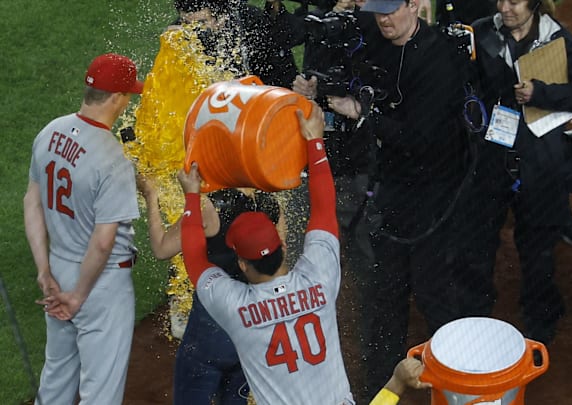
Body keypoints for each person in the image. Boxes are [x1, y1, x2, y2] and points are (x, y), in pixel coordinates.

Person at [310, 0, 475, 400]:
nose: (383, 19)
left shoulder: (439, 60)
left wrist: (362, 113)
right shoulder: (378, 34)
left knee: (434, 294)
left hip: (436, 196)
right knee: (384, 296)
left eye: (391, 10)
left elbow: (420, 139)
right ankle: (380, 391)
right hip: (394, 189)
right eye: (378, 10)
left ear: (415, 6)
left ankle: (461, 390)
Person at [178, 102, 355, 405]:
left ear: (243, 264)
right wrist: (314, 141)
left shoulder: (234, 308)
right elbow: (325, 209)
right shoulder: (321, 278)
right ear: (283, 246)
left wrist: (192, 196)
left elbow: (194, 258)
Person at [463, 0, 572, 344]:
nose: (505, 8)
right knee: (479, 239)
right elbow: (464, 82)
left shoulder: (557, 39)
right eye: (501, 0)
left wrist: (541, 92)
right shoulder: (481, 32)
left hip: (539, 161)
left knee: (537, 245)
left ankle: (541, 317)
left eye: (515, 1)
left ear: (535, 4)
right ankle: (475, 314)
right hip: (493, 155)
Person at [24, 53, 144, 404]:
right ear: (118, 98)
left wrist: (44, 270)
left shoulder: (50, 131)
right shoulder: (112, 158)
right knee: (100, 392)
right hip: (99, 283)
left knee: (56, 377)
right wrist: (77, 296)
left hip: (58, 268)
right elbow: (103, 241)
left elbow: (32, 202)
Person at [137, 178, 281, 404]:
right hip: (251, 332)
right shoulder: (270, 204)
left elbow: (162, 248)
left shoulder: (210, 206)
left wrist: (150, 196)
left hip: (209, 334)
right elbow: (279, 270)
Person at [172, 0, 298, 88]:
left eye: (201, 23)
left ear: (222, 19)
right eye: (186, 23)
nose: (193, 31)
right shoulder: (180, 33)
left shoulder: (255, 28)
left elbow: (283, 82)